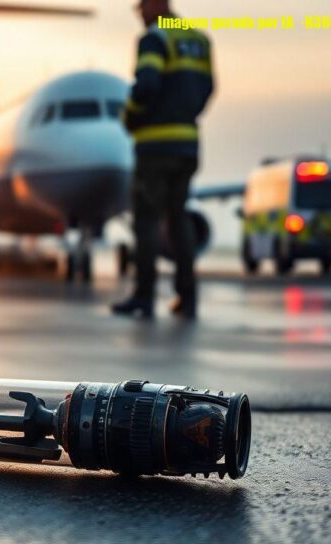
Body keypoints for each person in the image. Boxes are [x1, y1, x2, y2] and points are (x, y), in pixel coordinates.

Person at [111, 0, 214, 320]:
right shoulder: (197, 39)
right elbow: (208, 88)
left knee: (147, 221)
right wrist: (184, 115)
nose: (140, 14)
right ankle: (188, 296)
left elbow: (146, 86)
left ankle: (144, 297)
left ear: (157, 4)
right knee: (179, 220)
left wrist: (130, 117)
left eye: (142, 7)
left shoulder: (156, 38)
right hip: (187, 145)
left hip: (155, 148)